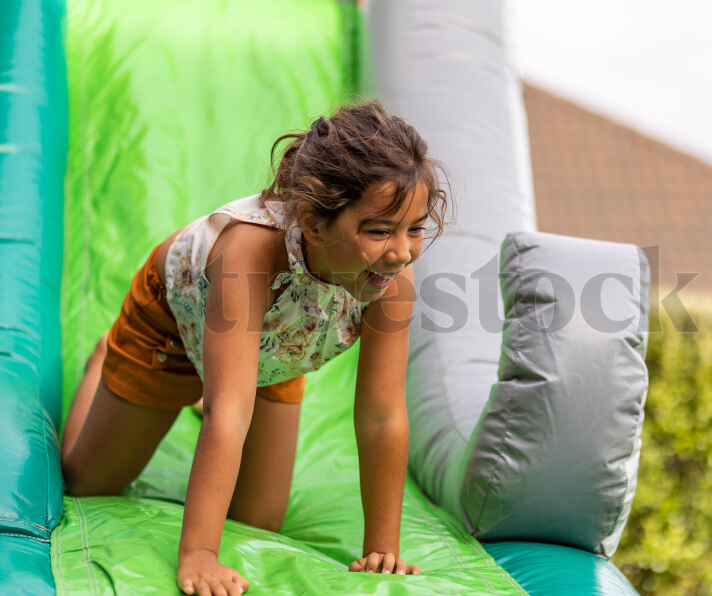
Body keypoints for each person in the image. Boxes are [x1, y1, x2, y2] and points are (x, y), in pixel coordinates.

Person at [59, 100, 453, 595]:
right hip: (173, 331)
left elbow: (381, 415)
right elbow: (229, 413)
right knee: (87, 481)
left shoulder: (389, 277)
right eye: (379, 231)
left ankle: (228, 373)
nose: (401, 251)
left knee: (259, 520)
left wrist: (382, 549)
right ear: (312, 224)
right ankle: (106, 357)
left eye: (414, 228)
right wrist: (199, 554)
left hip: (280, 349)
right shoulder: (249, 255)